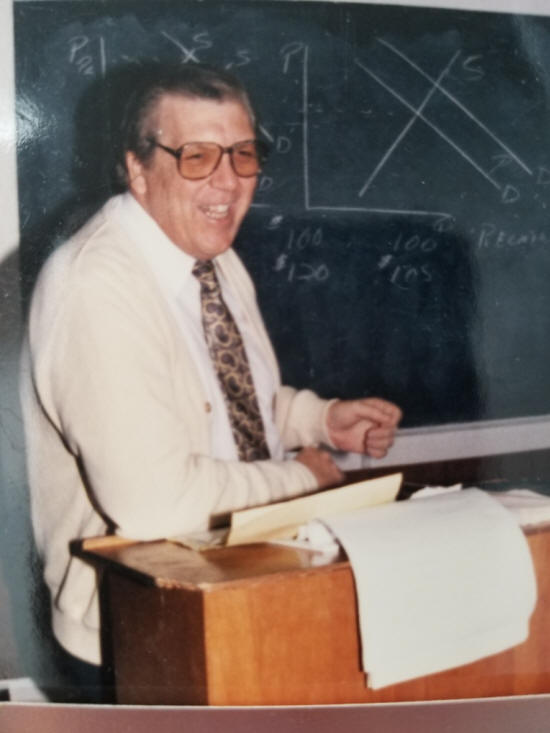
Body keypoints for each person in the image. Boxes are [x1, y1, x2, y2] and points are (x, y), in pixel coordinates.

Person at [21, 63, 401, 701]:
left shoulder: (209, 257)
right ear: (138, 169)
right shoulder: (96, 286)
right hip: (139, 634)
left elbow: (221, 398)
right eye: (196, 156)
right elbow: (154, 502)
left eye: (243, 154)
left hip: (234, 589)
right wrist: (304, 479)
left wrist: (318, 419)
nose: (227, 180)